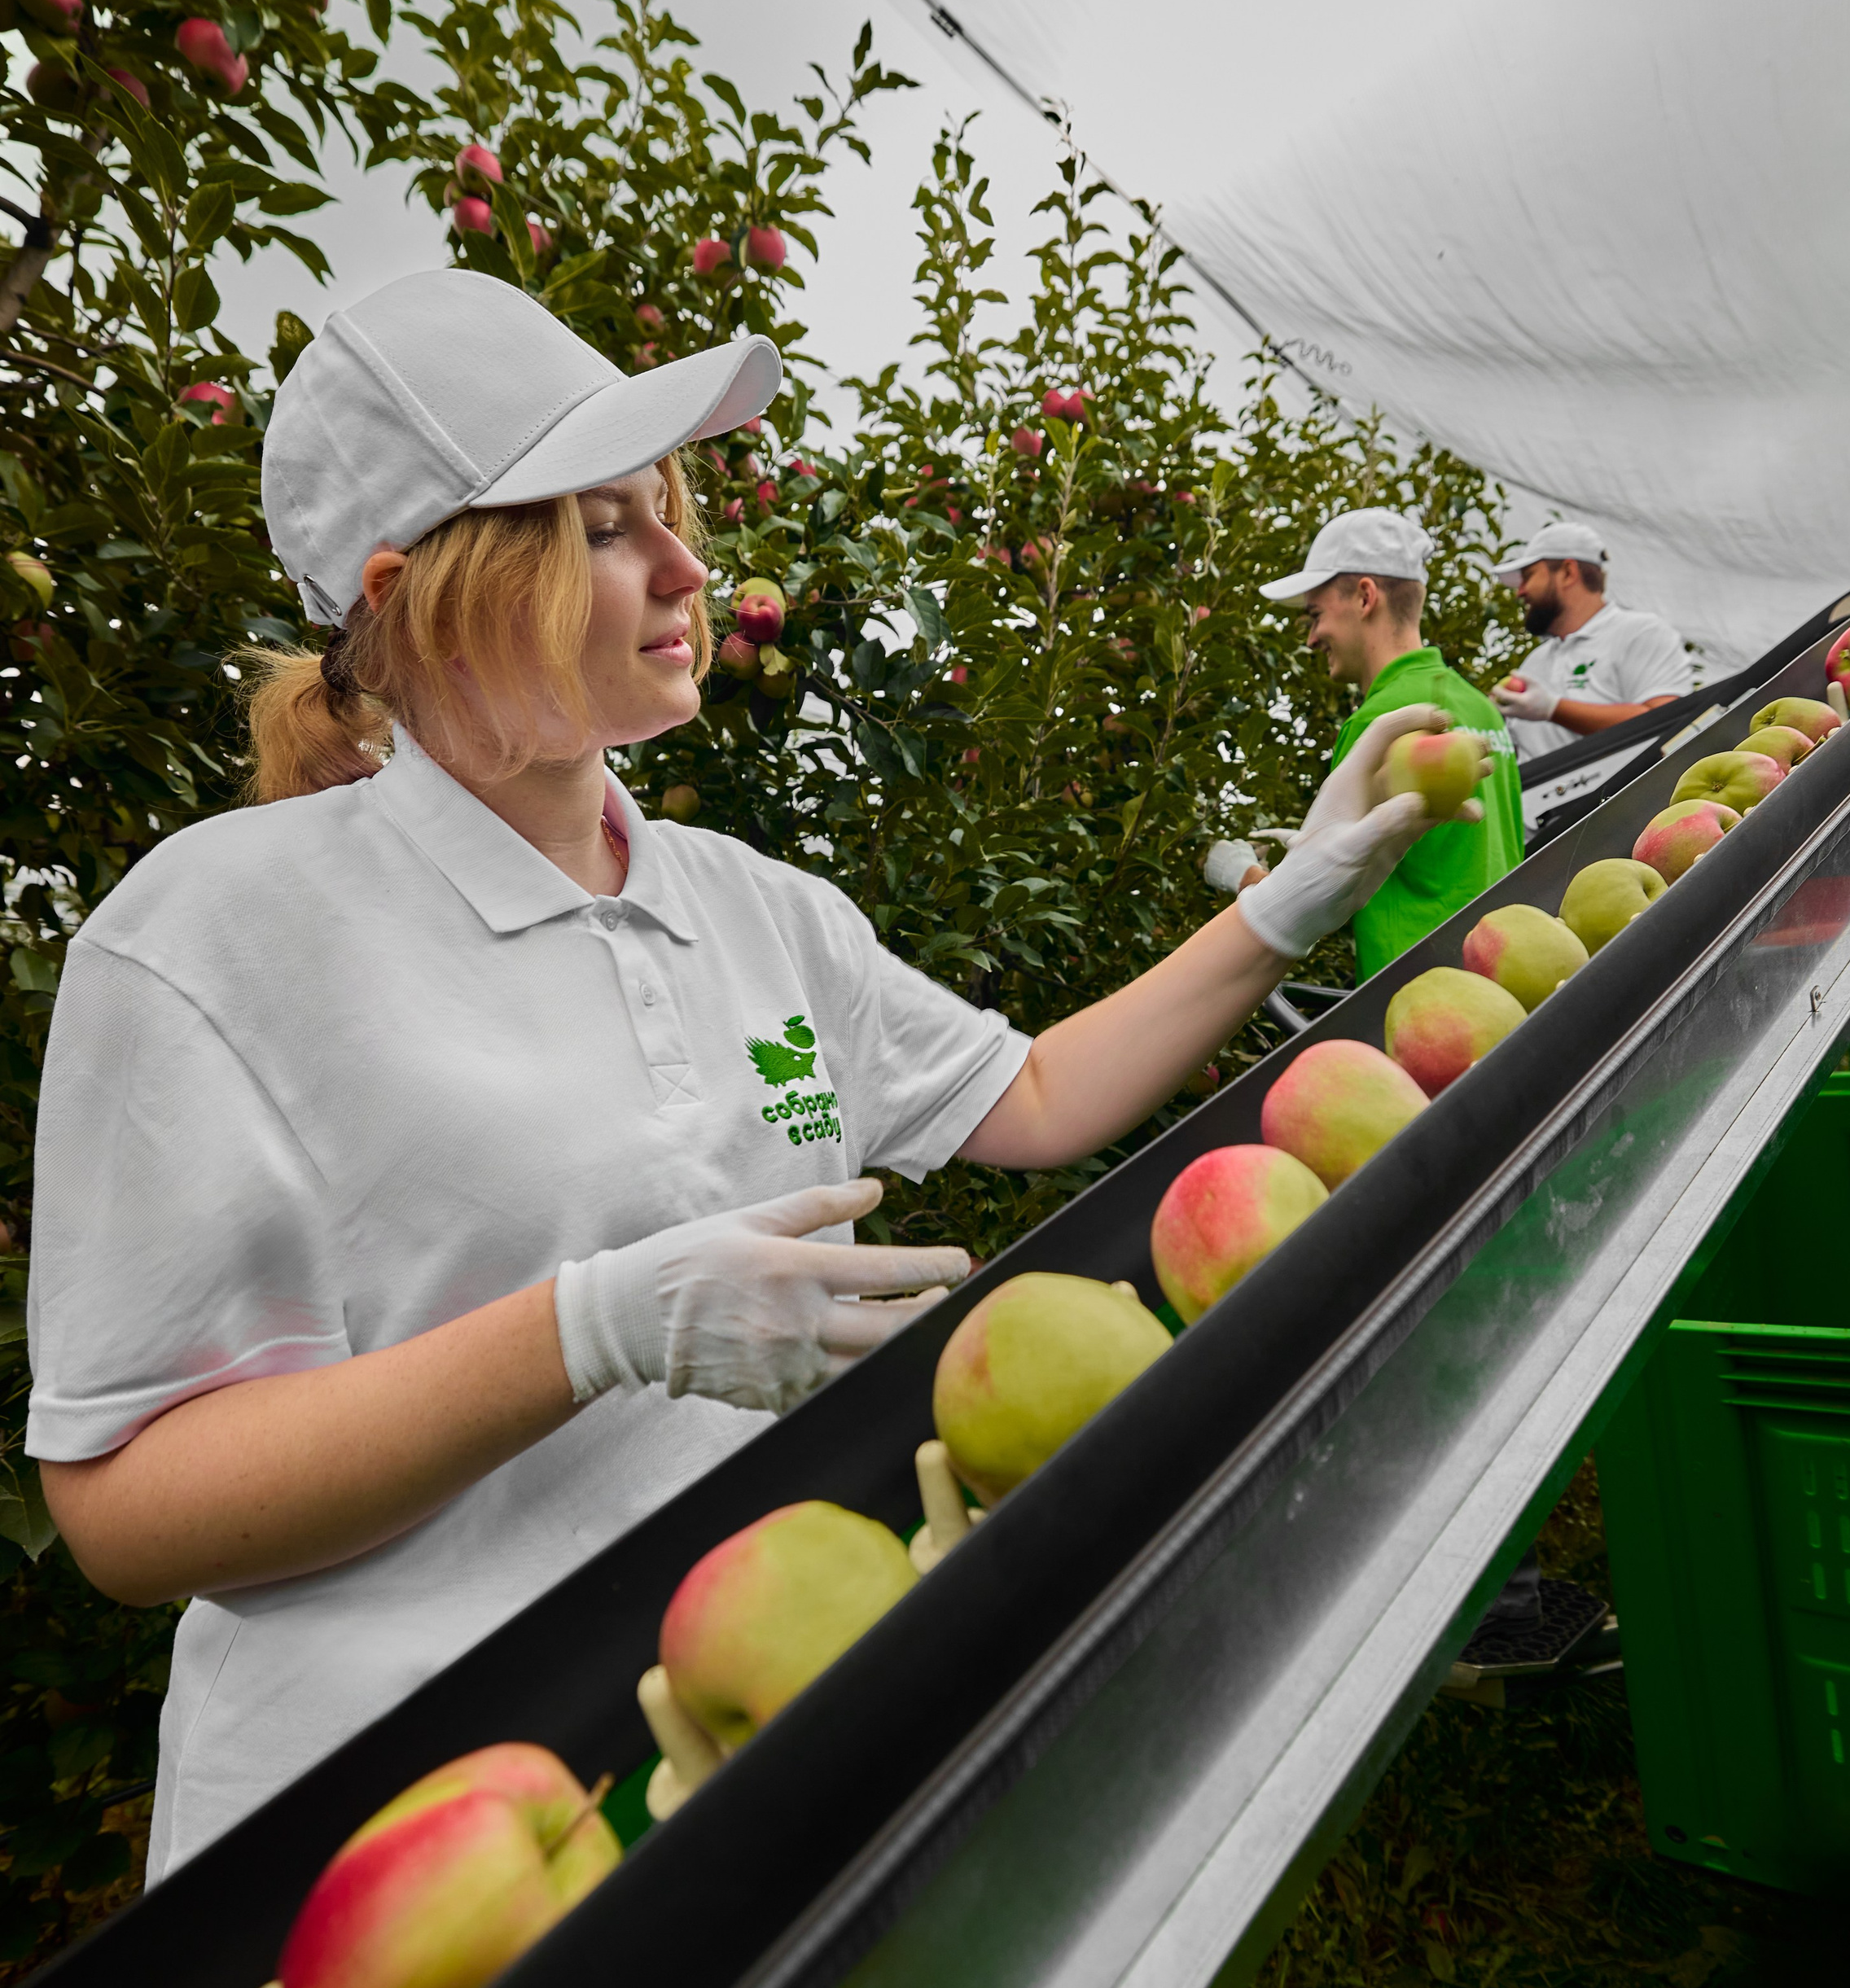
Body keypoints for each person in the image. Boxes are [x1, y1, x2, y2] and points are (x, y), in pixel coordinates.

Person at [26, 269, 1458, 1885]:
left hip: (741, 1728)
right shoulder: (215, 936)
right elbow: (131, 1510)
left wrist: (1278, 910)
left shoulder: (746, 906)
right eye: (605, 528)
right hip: (399, 1832)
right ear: (412, 588)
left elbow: (1036, 1095)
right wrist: (590, 1330)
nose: (688, 568)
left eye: (671, 511)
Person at [1252, 509, 1521, 980]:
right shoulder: (1480, 708)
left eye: (1315, 616)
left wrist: (1243, 877)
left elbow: (1325, 888)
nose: (1312, 637)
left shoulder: (1380, 724)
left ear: (1364, 596)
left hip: (1414, 988)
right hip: (1504, 977)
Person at [1488, 519, 1694, 760]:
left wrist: (1553, 708)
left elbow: (1667, 721)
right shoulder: (1535, 662)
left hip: (1613, 797)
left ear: (1568, 573)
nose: (1520, 591)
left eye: (1529, 576)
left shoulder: (1639, 633)